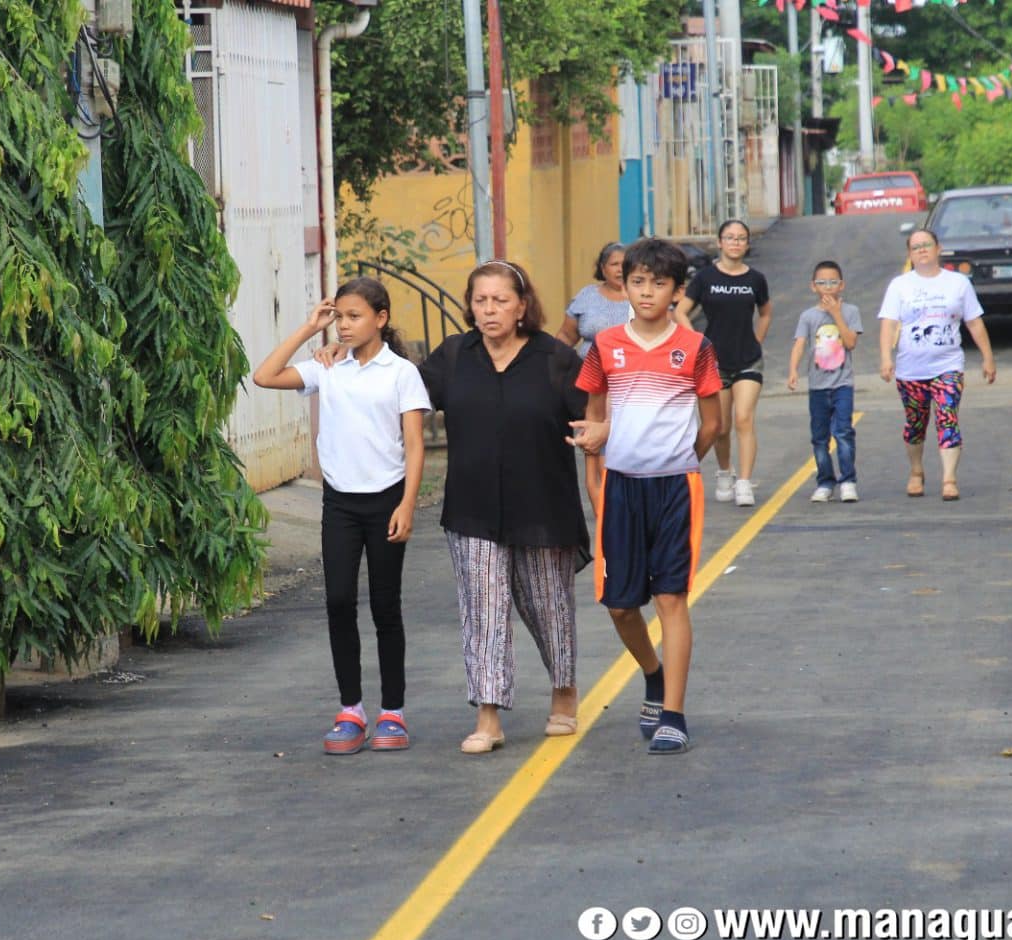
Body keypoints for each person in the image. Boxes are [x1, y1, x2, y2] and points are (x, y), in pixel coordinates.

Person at [252, 278, 431, 754]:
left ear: (381, 318)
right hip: (340, 504)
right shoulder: (328, 367)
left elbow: (415, 446)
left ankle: (393, 712)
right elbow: (264, 376)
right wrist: (309, 329)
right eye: (340, 317)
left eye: (355, 316)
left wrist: (408, 504)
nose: (344, 326)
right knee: (338, 601)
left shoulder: (401, 373)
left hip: (387, 499)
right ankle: (351, 710)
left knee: (385, 607)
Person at [420, 260, 589, 754]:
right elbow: (398, 393)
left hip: (543, 506)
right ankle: (488, 715)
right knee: (484, 611)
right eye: (480, 301)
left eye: (500, 300)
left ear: (522, 307)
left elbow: (597, 416)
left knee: (548, 608)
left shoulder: (555, 358)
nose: (489, 310)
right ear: (470, 306)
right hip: (472, 506)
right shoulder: (454, 356)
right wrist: (345, 355)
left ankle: (564, 690)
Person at [569, 238, 722, 755]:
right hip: (620, 488)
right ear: (624, 285)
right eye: (638, 282)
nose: (647, 291)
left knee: (671, 598)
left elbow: (713, 423)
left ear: (677, 291)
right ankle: (653, 674)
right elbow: (595, 417)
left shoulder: (696, 348)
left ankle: (673, 714)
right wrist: (595, 481)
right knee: (620, 606)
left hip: (676, 487)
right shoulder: (605, 344)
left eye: (659, 283)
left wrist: (679, 460)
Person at [877, 230, 997, 501]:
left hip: (948, 366)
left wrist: (988, 357)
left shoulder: (958, 283)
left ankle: (949, 479)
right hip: (911, 369)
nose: (922, 250)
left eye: (926, 245)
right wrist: (885, 357)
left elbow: (974, 322)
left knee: (948, 418)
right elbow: (889, 324)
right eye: (916, 247)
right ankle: (916, 471)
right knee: (915, 423)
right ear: (910, 254)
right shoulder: (900, 286)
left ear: (938, 248)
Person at [676, 220, 772, 507]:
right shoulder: (705, 277)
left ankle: (744, 482)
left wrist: (757, 339)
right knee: (720, 426)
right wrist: (697, 343)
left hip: (748, 360)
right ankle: (725, 471)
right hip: (714, 362)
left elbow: (766, 313)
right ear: (719, 242)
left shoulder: (755, 279)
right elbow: (681, 312)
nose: (735, 242)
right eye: (730, 237)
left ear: (747, 244)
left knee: (744, 418)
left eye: (741, 238)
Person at [787, 260, 863, 503]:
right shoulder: (808, 316)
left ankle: (848, 480)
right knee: (820, 437)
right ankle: (825, 482)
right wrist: (793, 370)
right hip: (817, 386)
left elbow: (850, 342)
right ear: (813, 286)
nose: (828, 287)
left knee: (843, 432)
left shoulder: (850, 311)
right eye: (822, 282)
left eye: (833, 282)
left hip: (842, 384)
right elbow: (800, 343)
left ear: (841, 285)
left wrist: (836, 314)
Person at [555, 242, 629, 358]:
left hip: (631, 367)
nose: (620, 269)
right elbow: (567, 336)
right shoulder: (587, 295)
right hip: (586, 367)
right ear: (603, 269)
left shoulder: (641, 297)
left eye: (625, 265)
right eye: (614, 264)